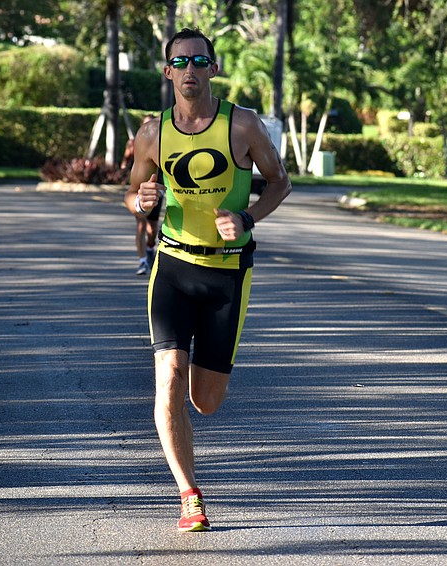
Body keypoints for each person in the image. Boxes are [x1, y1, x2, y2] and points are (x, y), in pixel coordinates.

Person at [124, 27, 291, 532]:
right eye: (180, 63)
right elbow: (132, 194)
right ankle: (189, 494)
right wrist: (143, 203)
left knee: (205, 401)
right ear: (168, 71)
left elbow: (280, 182)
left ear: (213, 68)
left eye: (199, 61)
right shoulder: (153, 132)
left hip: (226, 275)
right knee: (168, 379)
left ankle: (191, 470)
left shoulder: (242, 126)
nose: (190, 71)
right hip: (172, 266)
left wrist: (249, 218)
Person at [122, 115, 163, 275]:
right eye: (146, 124)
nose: (149, 128)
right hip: (139, 188)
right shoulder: (133, 143)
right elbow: (126, 159)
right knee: (141, 226)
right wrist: (124, 168)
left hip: (156, 189)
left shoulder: (161, 142)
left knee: (152, 229)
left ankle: (150, 248)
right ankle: (142, 261)